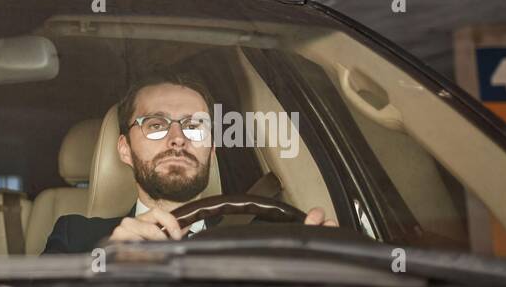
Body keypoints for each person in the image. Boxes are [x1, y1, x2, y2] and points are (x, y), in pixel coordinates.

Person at [43, 76, 335, 253]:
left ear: (212, 149)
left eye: (194, 126)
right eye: (156, 125)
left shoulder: (266, 239)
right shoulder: (77, 237)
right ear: (125, 150)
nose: (177, 138)